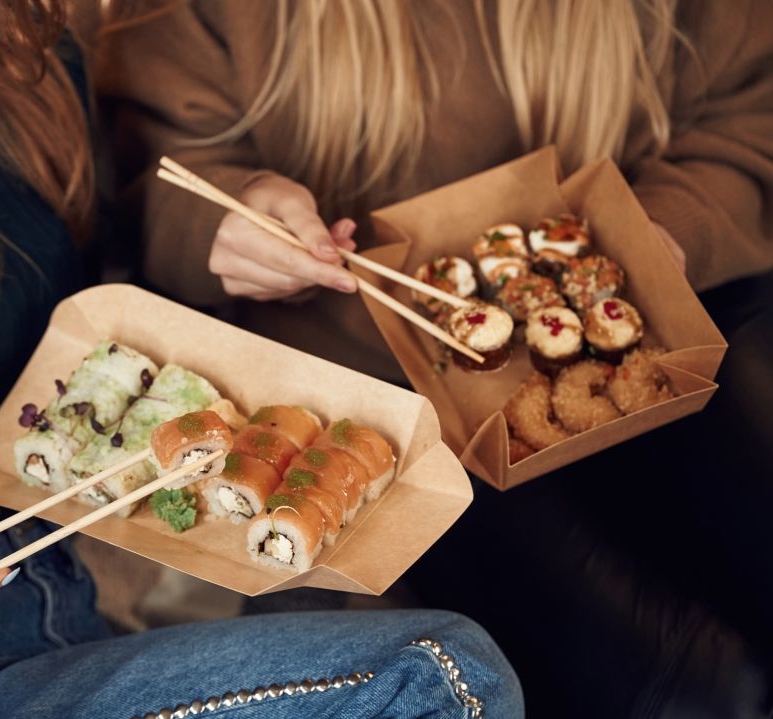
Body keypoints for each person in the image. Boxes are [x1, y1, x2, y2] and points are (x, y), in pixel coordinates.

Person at [0, 2, 524, 717]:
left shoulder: (18, 53)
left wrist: (234, 224)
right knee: (442, 672)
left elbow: (88, 256)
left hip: (60, 596)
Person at [97, 1, 773, 716]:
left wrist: (664, 229)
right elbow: (155, 178)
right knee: (692, 687)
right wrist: (234, 216)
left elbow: (748, 117)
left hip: (663, 325)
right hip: (383, 401)